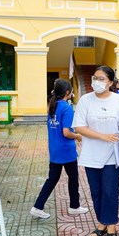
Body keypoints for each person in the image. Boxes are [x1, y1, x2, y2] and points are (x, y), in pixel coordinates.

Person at [72, 66, 119, 236]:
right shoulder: (85, 100)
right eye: (95, 78)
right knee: (96, 191)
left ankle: (111, 226)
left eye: (102, 79)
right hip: (91, 155)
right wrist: (103, 136)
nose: (97, 81)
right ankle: (102, 222)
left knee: (110, 191)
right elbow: (79, 127)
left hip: (113, 156)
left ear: (111, 82)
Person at [30, 79, 88, 219]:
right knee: (73, 178)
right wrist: (78, 136)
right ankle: (74, 206)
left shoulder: (52, 105)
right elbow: (66, 132)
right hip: (66, 151)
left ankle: (38, 206)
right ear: (68, 92)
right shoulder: (66, 108)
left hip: (55, 150)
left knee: (52, 179)